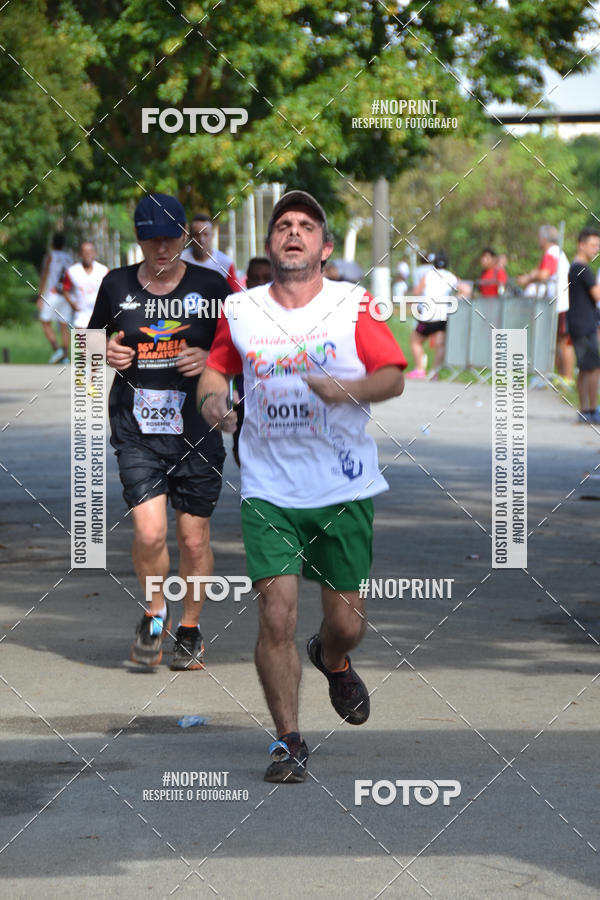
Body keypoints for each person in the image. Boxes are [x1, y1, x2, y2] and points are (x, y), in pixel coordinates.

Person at [197, 190, 406, 783]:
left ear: (325, 246)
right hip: (268, 487)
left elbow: (393, 376)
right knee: (276, 615)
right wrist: (212, 402)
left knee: (348, 625)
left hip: (342, 485)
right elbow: (215, 371)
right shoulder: (241, 310)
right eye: (284, 225)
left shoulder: (353, 304)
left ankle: (332, 658)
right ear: (270, 244)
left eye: (307, 226)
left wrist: (347, 389)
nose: (294, 232)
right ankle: (288, 740)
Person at [88, 194, 230, 669]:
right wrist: (104, 351)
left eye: (171, 238)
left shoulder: (212, 286)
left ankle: (189, 627)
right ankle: (155, 614)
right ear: (138, 238)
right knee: (149, 534)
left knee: (193, 539)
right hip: (136, 430)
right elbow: (87, 346)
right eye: (152, 240)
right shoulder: (116, 284)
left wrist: (209, 359)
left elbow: (239, 351)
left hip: (197, 429)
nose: (162, 249)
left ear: (185, 236)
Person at [517, 225, 573, 381]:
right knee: (557, 342)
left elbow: (544, 274)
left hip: (560, 304)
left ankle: (567, 378)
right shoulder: (556, 252)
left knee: (562, 342)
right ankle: (560, 377)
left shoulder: (552, 252)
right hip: (560, 303)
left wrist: (528, 278)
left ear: (544, 238)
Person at [231, 257, 273, 466]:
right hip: (244, 396)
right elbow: (223, 359)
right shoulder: (235, 314)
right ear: (246, 282)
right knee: (242, 450)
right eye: (255, 278)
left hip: (277, 396)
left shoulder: (290, 315)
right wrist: (230, 390)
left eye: (266, 278)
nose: (260, 283)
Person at [407, 250, 469, 379]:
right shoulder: (451, 276)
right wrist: (455, 299)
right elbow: (467, 289)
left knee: (415, 341)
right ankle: (434, 372)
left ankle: (419, 369)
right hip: (443, 316)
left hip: (427, 316)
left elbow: (417, 292)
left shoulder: (428, 275)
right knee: (440, 344)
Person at [567, 228, 600, 423]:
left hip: (578, 323)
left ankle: (585, 409)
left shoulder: (574, 267)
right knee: (594, 368)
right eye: (593, 245)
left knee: (584, 368)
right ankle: (591, 410)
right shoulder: (583, 269)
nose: (596, 249)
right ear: (581, 245)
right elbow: (597, 295)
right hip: (585, 324)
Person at [37, 232, 73, 363]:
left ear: (52, 243)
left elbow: (45, 274)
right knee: (64, 325)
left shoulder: (50, 256)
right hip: (66, 295)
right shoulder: (69, 258)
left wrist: (40, 295)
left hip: (53, 293)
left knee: (45, 321)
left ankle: (57, 349)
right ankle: (65, 356)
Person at [180, 213, 240, 291]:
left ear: (212, 235)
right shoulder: (180, 260)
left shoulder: (226, 263)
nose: (201, 240)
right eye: (197, 235)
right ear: (190, 236)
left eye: (206, 234)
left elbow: (236, 294)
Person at [63, 242, 109, 328]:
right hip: (80, 315)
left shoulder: (103, 270)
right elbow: (65, 290)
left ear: (95, 253)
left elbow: (111, 290)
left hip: (99, 315)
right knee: (81, 337)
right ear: (80, 254)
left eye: (90, 252)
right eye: (85, 252)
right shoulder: (72, 271)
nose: (88, 255)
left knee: (96, 337)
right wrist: (72, 304)